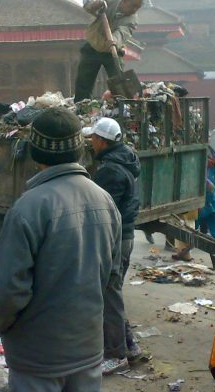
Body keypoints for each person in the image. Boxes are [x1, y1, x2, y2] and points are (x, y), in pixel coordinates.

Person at [0, 108, 122, 392]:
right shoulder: (105, 200)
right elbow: (110, 275)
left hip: (38, 356)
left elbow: (7, 289)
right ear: (78, 149)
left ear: (35, 151)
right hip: (87, 350)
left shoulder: (28, 207)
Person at [83, 117, 142, 374]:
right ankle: (130, 346)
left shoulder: (110, 170)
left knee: (109, 294)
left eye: (93, 138)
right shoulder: (124, 160)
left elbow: (102, 210)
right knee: (113, 292)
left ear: (102, 140)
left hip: (115, 237)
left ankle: (116, 355)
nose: (91, 143)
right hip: (124, 235)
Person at [73, 0, 145, 102]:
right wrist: (95, 5)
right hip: (93, 46)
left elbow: (122, 33)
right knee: (83, 83)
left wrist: (114, 42)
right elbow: (88, 5)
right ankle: (82, 107)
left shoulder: (132, 20)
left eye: (138, 7)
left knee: (119, 83)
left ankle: (122, 107)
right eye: (133, 5)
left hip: (113, 52)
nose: (135, 10)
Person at [173, 145, 215, 261]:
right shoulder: (193, 153)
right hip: (197, 194)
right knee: (191, 224)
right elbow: (192, 171)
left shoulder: (209, 150)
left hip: (211, 195)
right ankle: (184, 251)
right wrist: (206, 181)